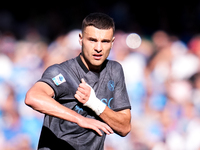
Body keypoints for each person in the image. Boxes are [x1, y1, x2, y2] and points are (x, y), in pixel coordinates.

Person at [25, 12, 131, 150]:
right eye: (92, 40)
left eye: (104, 41)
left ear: (112, 42)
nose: (98, 48)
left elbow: (124, 127)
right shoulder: (62, 72)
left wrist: (94, 104)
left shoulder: (114, 71)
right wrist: (80, 119)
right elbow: (32, 97)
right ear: (81, 39)